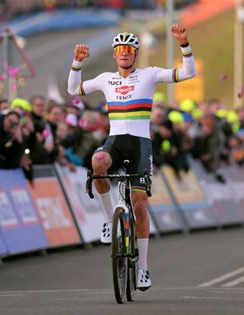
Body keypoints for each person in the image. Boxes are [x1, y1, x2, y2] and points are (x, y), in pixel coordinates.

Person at [67, 24, 196, 291]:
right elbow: (73, 90)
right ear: (115, 55)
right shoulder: (105, 79)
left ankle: (144, 268)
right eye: (120, 50)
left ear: (135, 54)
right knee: (98, 163)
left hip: (140, 145)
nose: (124, 54)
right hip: (115, 141)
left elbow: (188, 72)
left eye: (129, 49)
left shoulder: (149, 75)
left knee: (139, 206)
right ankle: (107, 220)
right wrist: (77, 63)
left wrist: (184, 45)